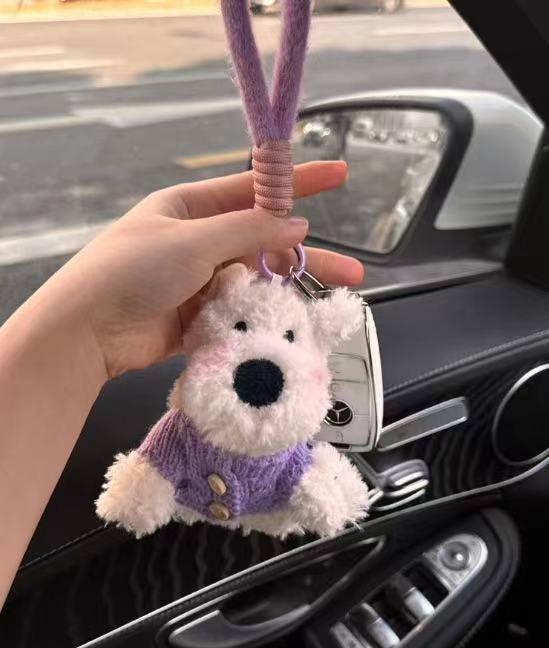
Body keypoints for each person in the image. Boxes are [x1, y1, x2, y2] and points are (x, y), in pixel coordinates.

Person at [0, 160, 363, 608]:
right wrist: (91, 330)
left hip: (262, 510)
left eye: (291, 338)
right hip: (199, 505)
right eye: (239, 329)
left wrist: (90, 330)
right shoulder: (183, 431)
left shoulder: (284, 446)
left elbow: (302, 472)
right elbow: (158, 459)